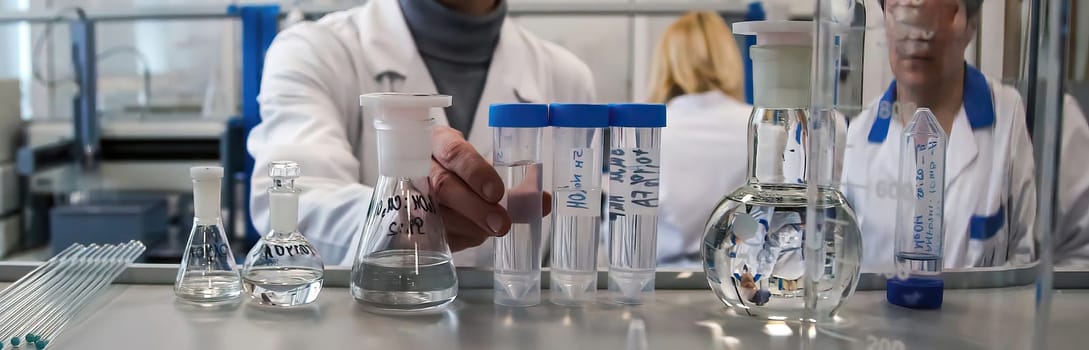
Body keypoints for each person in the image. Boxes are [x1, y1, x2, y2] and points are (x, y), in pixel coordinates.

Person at [247, 0, 595, 266]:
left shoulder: (567, 77)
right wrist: (400, 217)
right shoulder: (315, 51)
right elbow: (290, 200)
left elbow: (571, 248)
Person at [841, 0, 1089, 272]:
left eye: (938, 10)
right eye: (900, 10)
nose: (916, 33)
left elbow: (1080, 265)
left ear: (971, 24)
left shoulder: (1041, 121)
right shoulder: (858, 137)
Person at [648, 12, 752, 266]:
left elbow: (622, 229)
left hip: (663, 280)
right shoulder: (761, 125)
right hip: (743, 279)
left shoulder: (650, 131)